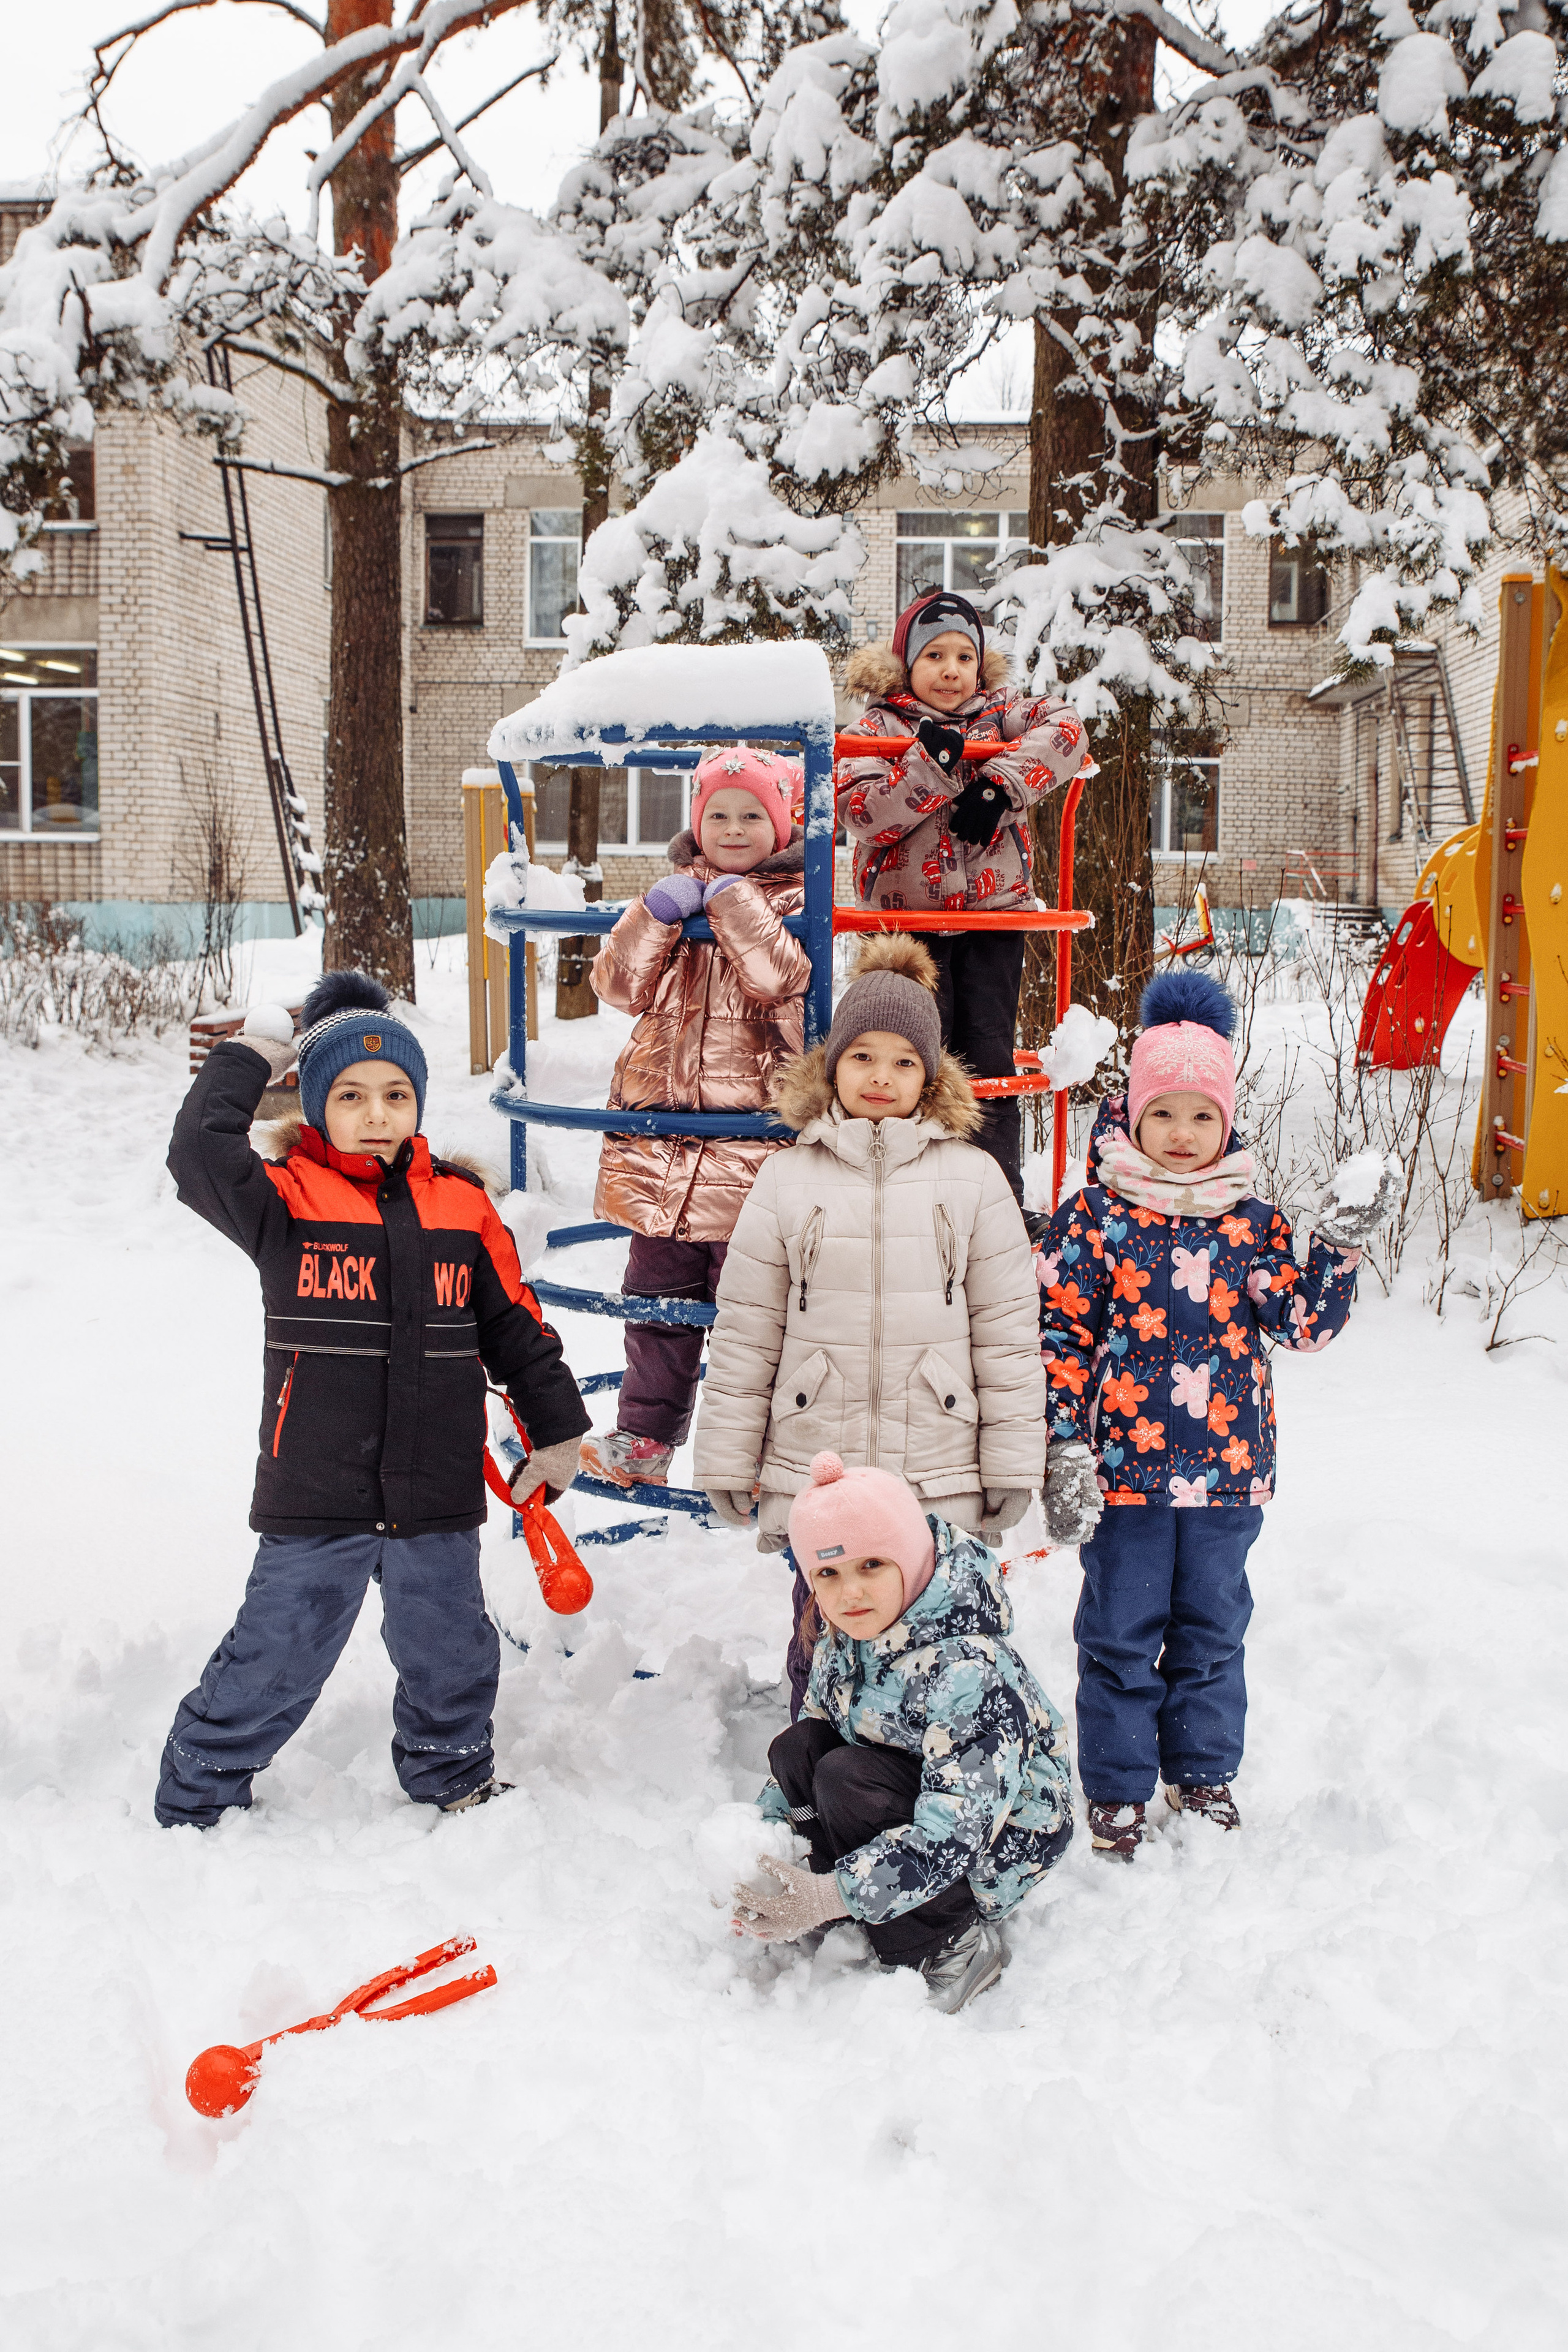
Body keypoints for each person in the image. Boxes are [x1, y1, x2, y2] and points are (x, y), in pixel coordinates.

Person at [154, 971, 589, 1828]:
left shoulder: (462, 1206)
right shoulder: (283, 1200)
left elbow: (516, 1326)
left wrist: (557, 1430)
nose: (377, 1113)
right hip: (318, 1483)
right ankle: (199, 1790)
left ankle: (452, 1772)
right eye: (350, 1095)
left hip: (435, 1483)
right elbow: (197, 1154)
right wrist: (252, 1054)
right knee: (279, 1650)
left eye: (396, 1093)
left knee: (451, 1649)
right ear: (315, 1105)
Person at [1035, 968, 1399, 1859]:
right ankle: (1118, 1790)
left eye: (1202, 1115)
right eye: (1164, 1113)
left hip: (1227, 1476)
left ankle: (1201, 1775)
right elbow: (1059, 1339)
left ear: (1227, 1122)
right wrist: (1062, 1443)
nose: (1183, 1133)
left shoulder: (1252, 1223)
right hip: (1124, 1478)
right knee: (1118, 1636)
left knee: (1212, 1633)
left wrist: (1336, 1249)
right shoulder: (1092, 1220)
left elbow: (1303, 1325)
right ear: (1131, 1116)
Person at [693, 932, 1045, 1714]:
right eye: (862, 1057)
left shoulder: (974, 1179)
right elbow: (747, 1331)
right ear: (831, 1067)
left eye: (904, 1061)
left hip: (938, 1464)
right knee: (824, 1638)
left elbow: (1007, 1336)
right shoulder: (786, 1179)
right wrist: (727, 1455)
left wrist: (1012, 1464)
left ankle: (931, 1774)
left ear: (931, 1076)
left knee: (941, 1648)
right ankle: (818, 1769)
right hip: (823, 1463)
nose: (881, 1076)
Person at [730, 1453, 1073, 2015]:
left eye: (871, 1565)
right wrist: (758, 1848)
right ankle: (848, 1892)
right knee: (799, 1748)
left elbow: (959, 1829)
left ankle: (951, 1941)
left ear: (912, 1562)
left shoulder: (967, 1670)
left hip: (996, 1842)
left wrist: (837, 1893)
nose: (849, 1593)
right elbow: (812, 1738)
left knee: (845, 1777)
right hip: (904, 1798)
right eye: (828, 1574)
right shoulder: (846, 1641)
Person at [578, 747, 810, 1488]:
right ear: (696, 822)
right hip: (662, 1151)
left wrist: (734, 904)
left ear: (783, 826)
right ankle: (644, 1438)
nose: (733, 828)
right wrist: (653, 916)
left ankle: (758, 1451)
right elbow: (616, 987)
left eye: (752, 815)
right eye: (719, 815)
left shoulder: (799, 901)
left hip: (749, 1157)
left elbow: (782, 980)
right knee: (656, 1308)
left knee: (753, 1316)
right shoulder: (671, 898)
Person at [839, 587, 1093, 1207]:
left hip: (992, 921)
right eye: (933, 656)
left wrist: (1000, 785)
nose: (950, 671)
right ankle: (907, 1201)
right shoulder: (877, 726)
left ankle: (997, 1202)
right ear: (906, 663)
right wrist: (928, 769)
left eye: (963, 657)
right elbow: (862, 814)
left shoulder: (1000, 714)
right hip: (903, 928)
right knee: (909, 1058)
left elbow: (1068, 730)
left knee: (988, 1057)